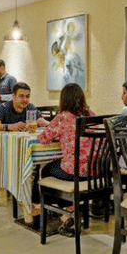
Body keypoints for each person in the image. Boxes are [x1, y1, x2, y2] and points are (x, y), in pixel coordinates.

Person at [37, 83, 95, 234]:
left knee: (46, 169)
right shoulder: (91, 115)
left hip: (75, 173)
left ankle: (65, 211)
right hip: (94, 171)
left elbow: (44, 138)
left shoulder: (63, 117)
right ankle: (71, 209)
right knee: (60, 166)